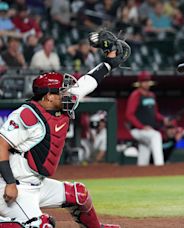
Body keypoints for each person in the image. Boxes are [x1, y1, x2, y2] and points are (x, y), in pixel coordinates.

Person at [0, 30, 130, 227]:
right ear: (48, 97)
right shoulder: (27, 114)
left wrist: (109, 63)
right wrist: (9, 183)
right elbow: (0, 144)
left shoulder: (62, 104)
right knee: (41, 225)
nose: (68, 93)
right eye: (62, 91)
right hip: (14, 187)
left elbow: (88, 82)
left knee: (79, 194)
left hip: (37, 183)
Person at [125, 71, 169, 166]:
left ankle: (141, 171)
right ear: (139, 83)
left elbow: (155, 113)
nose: (146, 83)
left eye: (147, 81)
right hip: (137, 130)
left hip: (147, 131)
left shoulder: (152, 95)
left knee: (144, 151)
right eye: (144, 81)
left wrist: (163, 119)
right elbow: (129, 114)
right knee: (156, 135)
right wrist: (141, 127)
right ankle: (160, 166)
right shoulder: (136, 95)